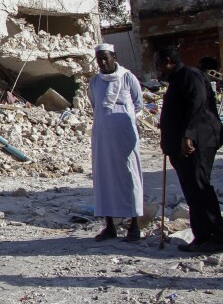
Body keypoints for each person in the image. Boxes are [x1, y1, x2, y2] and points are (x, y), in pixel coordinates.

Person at [156, 45, 223, 253]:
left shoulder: (190, 76)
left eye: (157, 62)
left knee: (200, 188)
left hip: (199, 141)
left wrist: (188, 135)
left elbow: (198, 105)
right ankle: (202, 236)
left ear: (168, 61)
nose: (155, 66)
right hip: (185, 144)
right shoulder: (177, 79)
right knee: (192, 191)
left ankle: (217, 237)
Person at [89, 43, 144, 241]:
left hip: (125, 136)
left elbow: (138, 104)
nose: (102, 62)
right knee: (105, 178)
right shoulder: (94, 82)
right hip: (102, 138)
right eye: (99, 59)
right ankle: (109, 225)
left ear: (114, 57)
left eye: (105, 58)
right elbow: (95, 105)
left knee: (130, 176)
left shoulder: (128, 77)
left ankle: (134, 225)